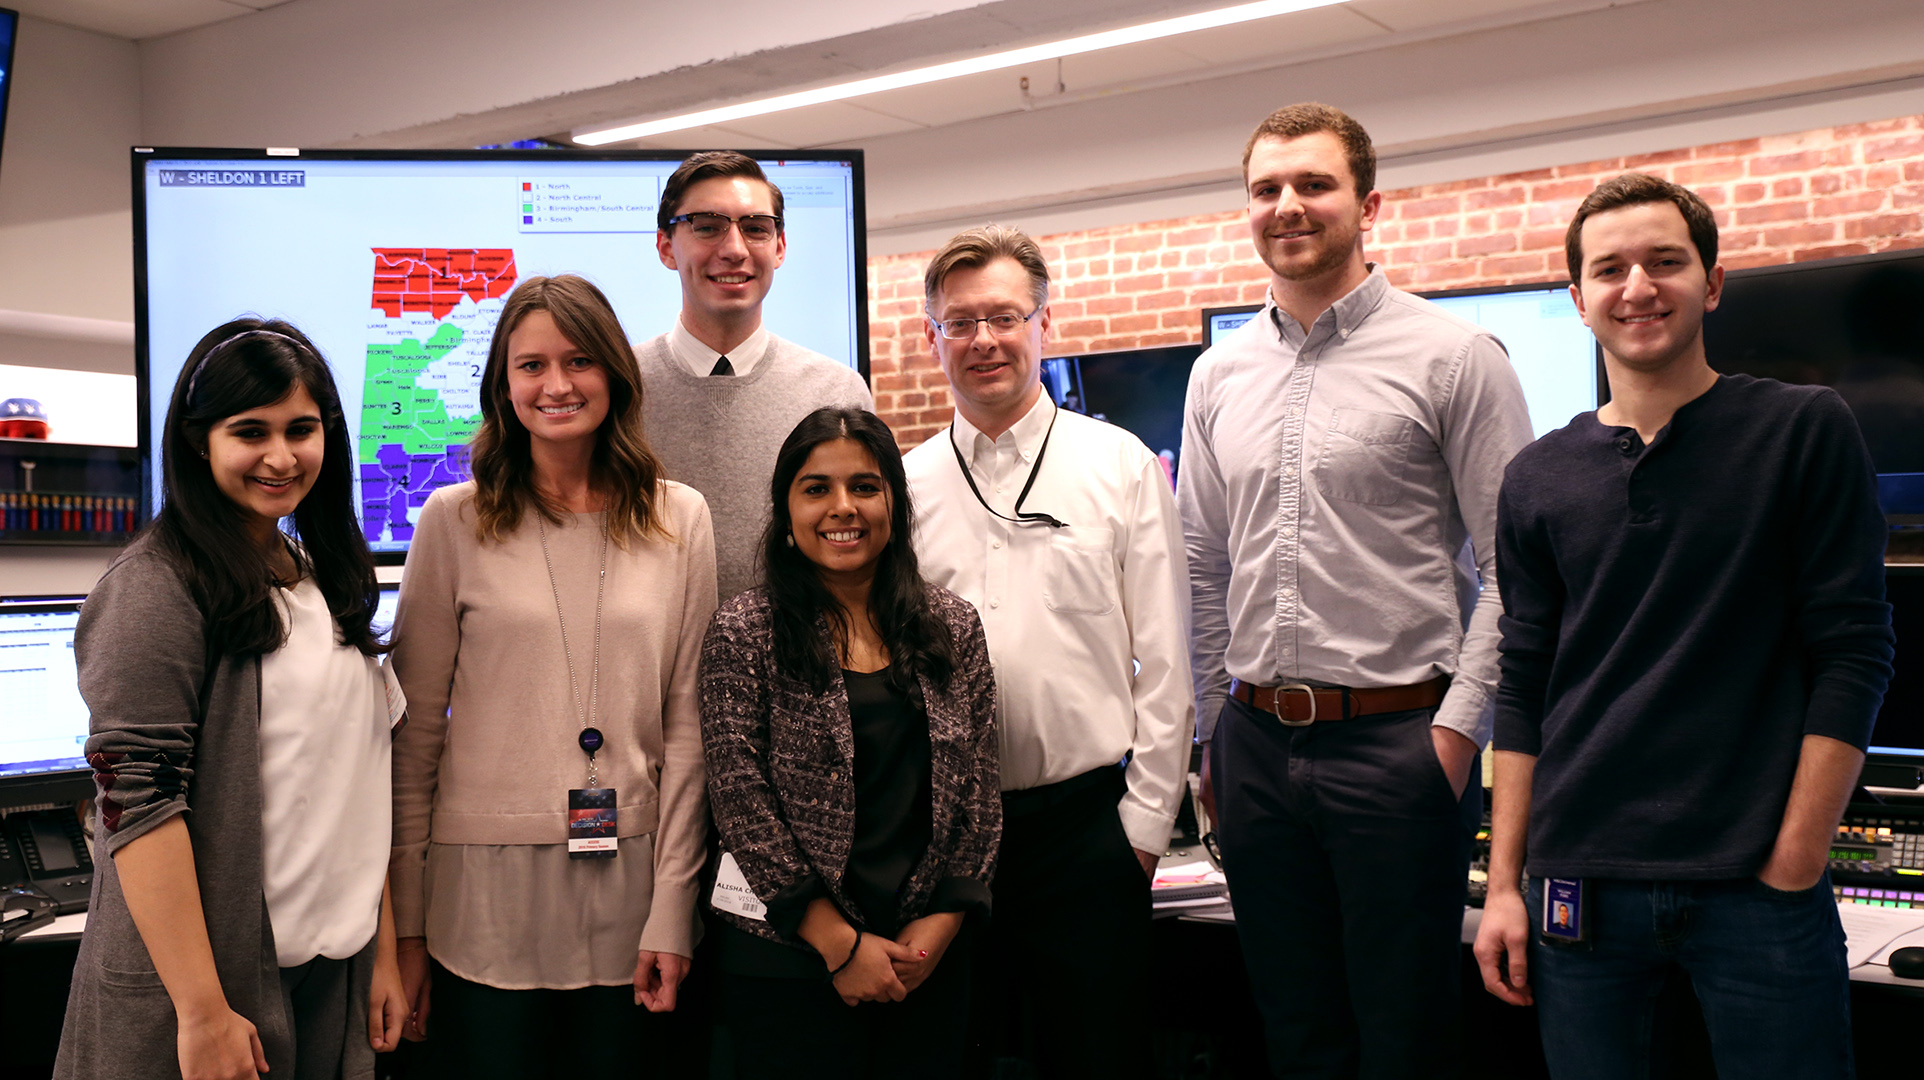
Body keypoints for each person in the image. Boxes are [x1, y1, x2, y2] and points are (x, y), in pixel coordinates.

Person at [1473, 173, 1896, 1077]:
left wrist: (1797, 855)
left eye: (1666, 261)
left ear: (1710, 283)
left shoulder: (1801, 431)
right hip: (1577, 886)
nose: (1638, 287)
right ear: (1578, 298)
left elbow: (1854, 652)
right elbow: (1525, 681)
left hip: (1755, 887)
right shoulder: (1538, 477)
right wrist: (1507, 884)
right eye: (1610, 269)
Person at [1179, 102, 1534, 1078]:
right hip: (1252, 745)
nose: (1287, 205)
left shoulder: (1456, 359)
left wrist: (1457, 732)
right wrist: (1213, 729)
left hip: (1397, 744)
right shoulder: (1216, 375)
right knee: (1294, 1033)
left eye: (1313, 184)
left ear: (1367, 202)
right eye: (1265, 189)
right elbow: (1204, 565)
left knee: (1405, 1034)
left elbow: (1517, 573)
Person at [56, 319, 406, 1079]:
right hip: (214, 988)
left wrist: (379, 948)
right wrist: (202, 1010)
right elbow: (137, 806)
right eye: (251, 431)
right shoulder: (154, 589)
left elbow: (357, 782)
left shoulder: (317, 575)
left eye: (302, 429)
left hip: (327, 970)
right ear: (197, 442)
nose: (281, 456)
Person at [388, 275, 717, 1075]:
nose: (557, 385)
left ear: (614, 372)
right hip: (480, 904)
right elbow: (413, 740)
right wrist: (405, 930)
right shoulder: (452, 522)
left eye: (578, 361)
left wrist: (674, 909)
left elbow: (689, 732)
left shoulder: (682, 518)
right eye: (531, 365)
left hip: (631, 896)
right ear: (504, 384)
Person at [904, 224, 1194, 1078]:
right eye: (960, 323)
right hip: (949, 837)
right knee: (963, 1053)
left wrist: (1140, 831)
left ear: (1044, 326)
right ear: (933, 340)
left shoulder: (1120, 464)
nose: (983, 340)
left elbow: (1168, 664)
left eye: (1004, 316)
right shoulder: (905, 483)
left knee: (1096, 1055)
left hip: (1086, 834)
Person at [699, 406, 1001, 1079]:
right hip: (787, 960)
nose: (844, 507)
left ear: (893, 500)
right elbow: (738, 798)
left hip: (922, 957)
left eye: (865, 487)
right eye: (817, 488)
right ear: (785, 511)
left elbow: (979, 790)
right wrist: (837, 944)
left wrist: (944, 922)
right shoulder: (743, 631)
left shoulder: (952, 625)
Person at [638, 150, 874, 602]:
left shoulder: (836, 392)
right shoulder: (619, 388)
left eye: (755, 228)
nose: (733, 249)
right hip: (652, 669)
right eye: (707, 226)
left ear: (779, 247)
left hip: (799, 666)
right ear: (666, 247)